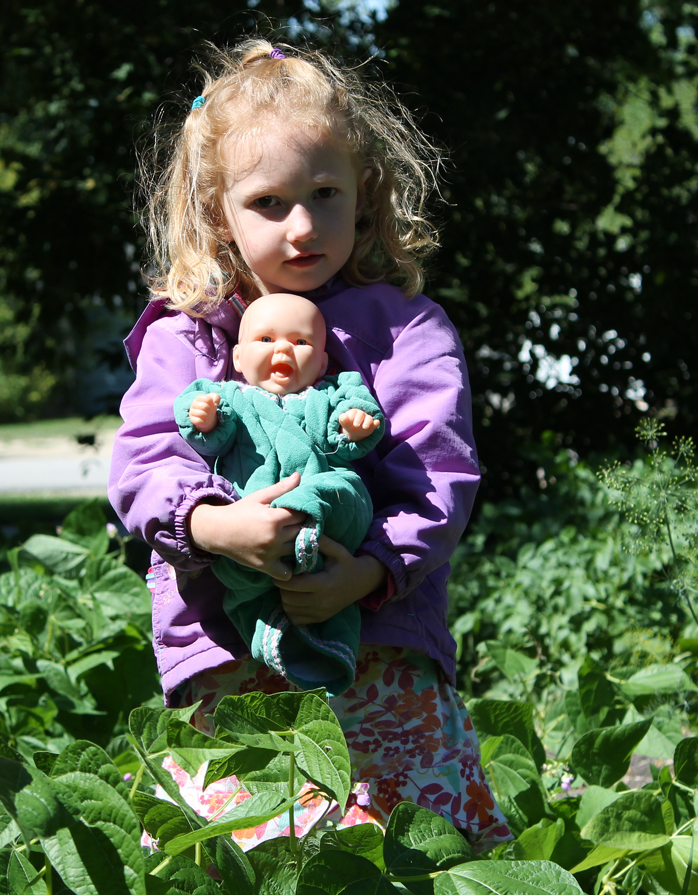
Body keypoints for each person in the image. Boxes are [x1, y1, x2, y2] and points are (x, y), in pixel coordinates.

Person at [109, 37, 512, 850]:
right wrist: (214, 525)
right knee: (241, 848)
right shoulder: (189, 334)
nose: (302, 226)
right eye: (268, 202)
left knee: (400, 849)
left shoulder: (405, 330)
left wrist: (367, 571)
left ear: (365, 192)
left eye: (325, 194)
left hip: (379, 652)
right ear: (216, 212)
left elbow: (439, 476)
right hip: (227, 656)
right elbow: (145, 458)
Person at [176, 292, 385, 696]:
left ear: (321, 363)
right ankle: (283, 637)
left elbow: (348, 439)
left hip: (328, 519)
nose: (283, 349)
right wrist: (203, 417)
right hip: (251, 530)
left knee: (346, 488)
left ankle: (306, 526)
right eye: (266, 340)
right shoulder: (232, 399)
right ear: (238, 358)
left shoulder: (326, 396)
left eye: (301, 342)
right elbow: (209, 435)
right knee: (241, 576)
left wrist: (354, 425)